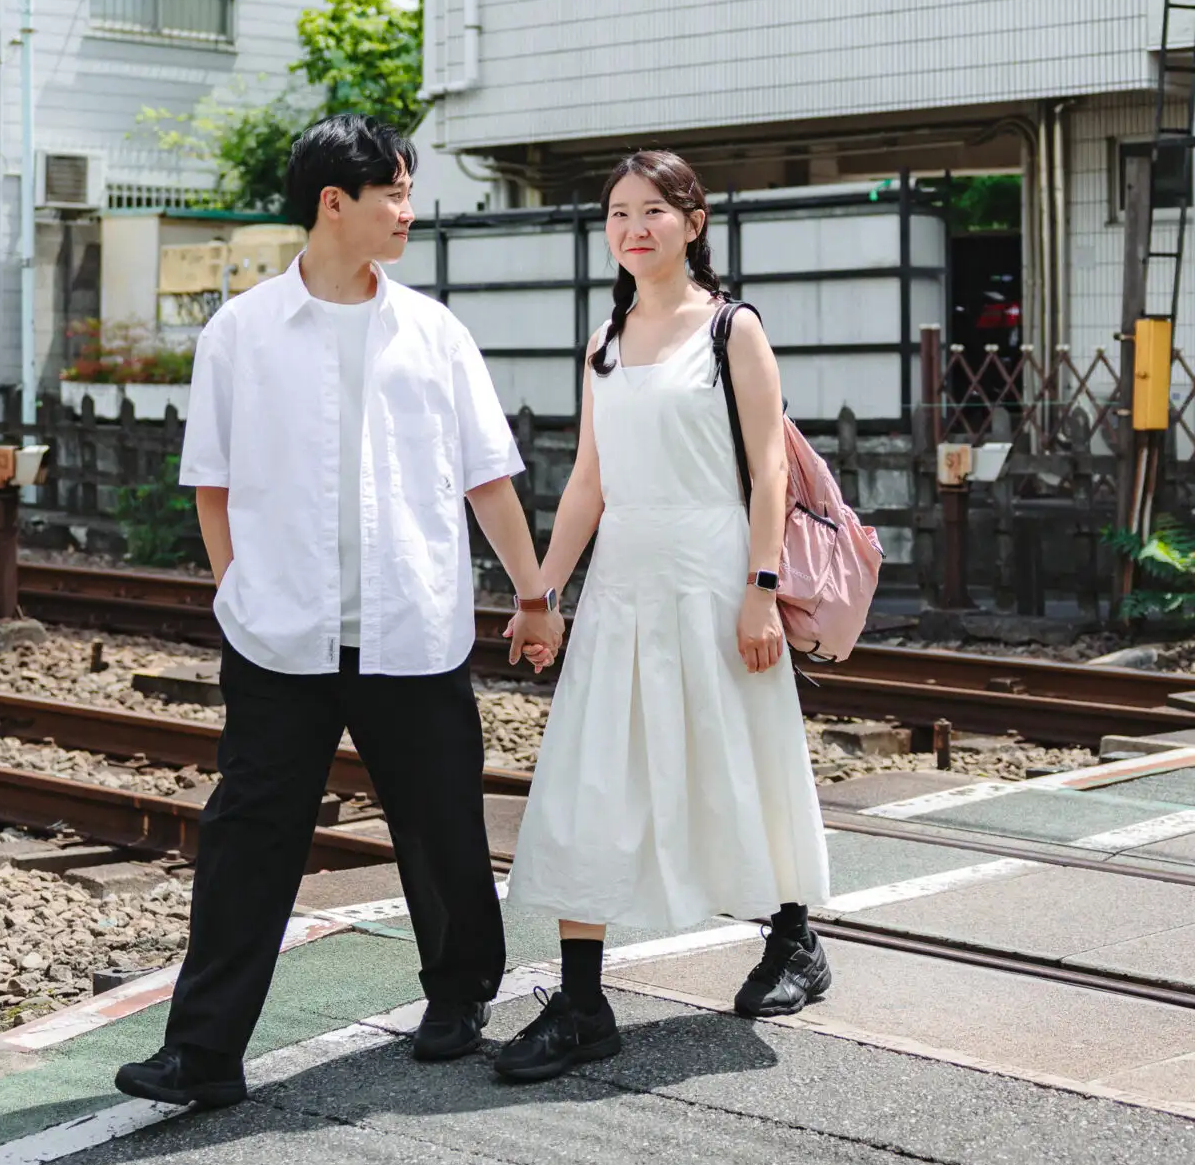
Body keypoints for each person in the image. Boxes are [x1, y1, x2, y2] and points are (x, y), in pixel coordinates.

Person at [115, 114, 563, 1111]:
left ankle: (458, 995)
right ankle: (202, 1052)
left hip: (411, 622)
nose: (408, 210)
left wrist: (533, 593)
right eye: (393, 193)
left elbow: (489, 477)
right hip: (281, 634)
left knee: (441, 822)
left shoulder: (434, 331)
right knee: (247, 836)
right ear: (335, 202)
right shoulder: (242, 330)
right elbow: (212, 483)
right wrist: (236, 592)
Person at [494, 147, 832, 1085]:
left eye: (653, 209)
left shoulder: (733, 329)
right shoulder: (604, 339)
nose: (634, 227)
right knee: (591, 773)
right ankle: (583, 1001)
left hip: (717, 572)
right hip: (626, 580)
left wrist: (761, 587)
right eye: (617, 213)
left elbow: (767, 468)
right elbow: (588, 484)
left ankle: (793, 939)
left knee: (740, 756)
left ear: (694, 220)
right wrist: (543, 595)